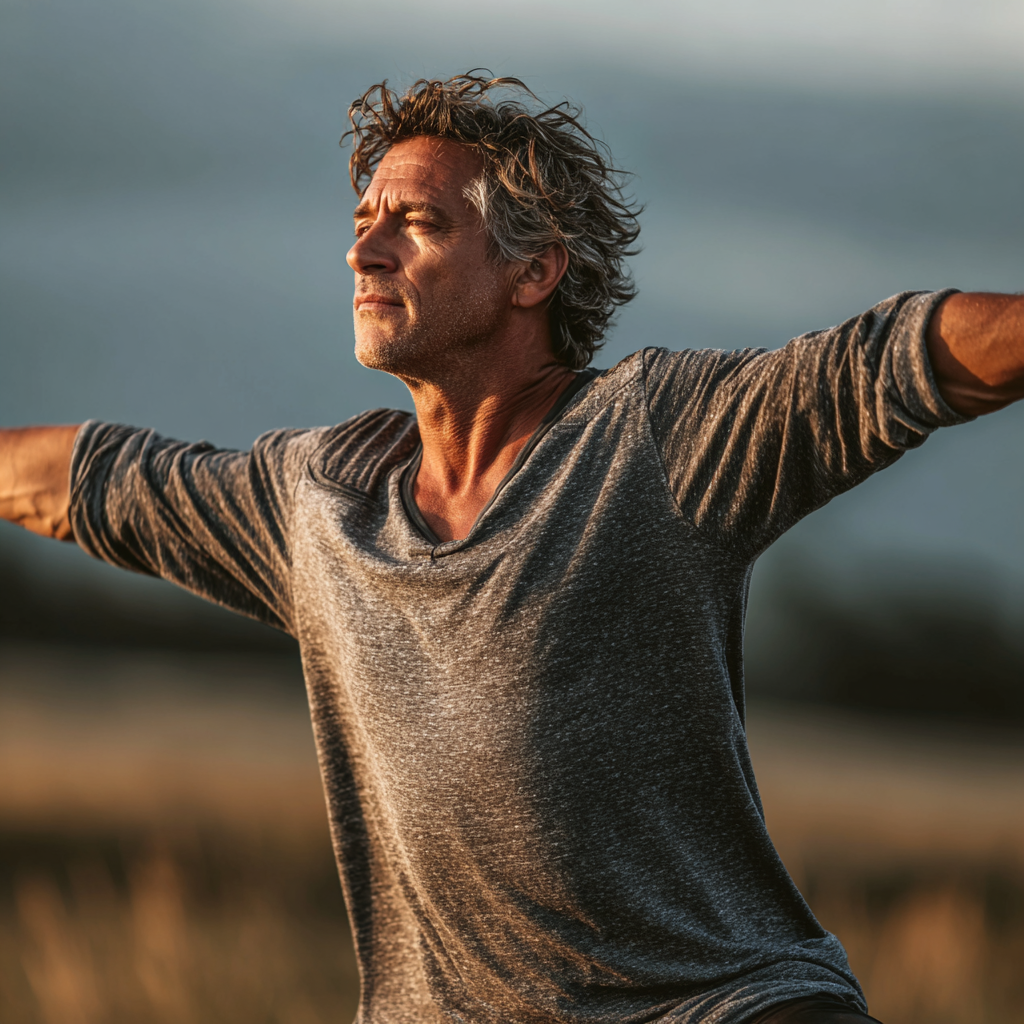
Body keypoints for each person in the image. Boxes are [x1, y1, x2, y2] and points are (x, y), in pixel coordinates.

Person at [1, 73, 1021, 1024]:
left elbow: (897, 358)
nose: (364, 253)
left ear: (534, 270)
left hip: (723, 1004)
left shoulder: (654, 440)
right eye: (361, 224)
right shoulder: (316, 504)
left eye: (416, 224)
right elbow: (93, 479)